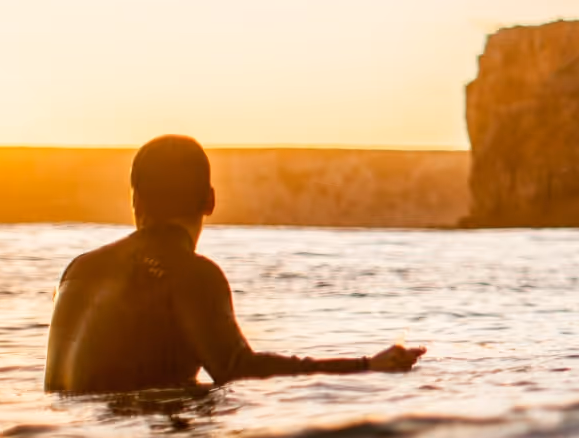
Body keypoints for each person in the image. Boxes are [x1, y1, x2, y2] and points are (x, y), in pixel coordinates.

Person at [44, 135, 424, 393]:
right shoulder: (192, 274)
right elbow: (238, 370)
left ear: (136, 201)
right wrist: (365, 367)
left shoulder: (78, 270)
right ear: (210, 201)